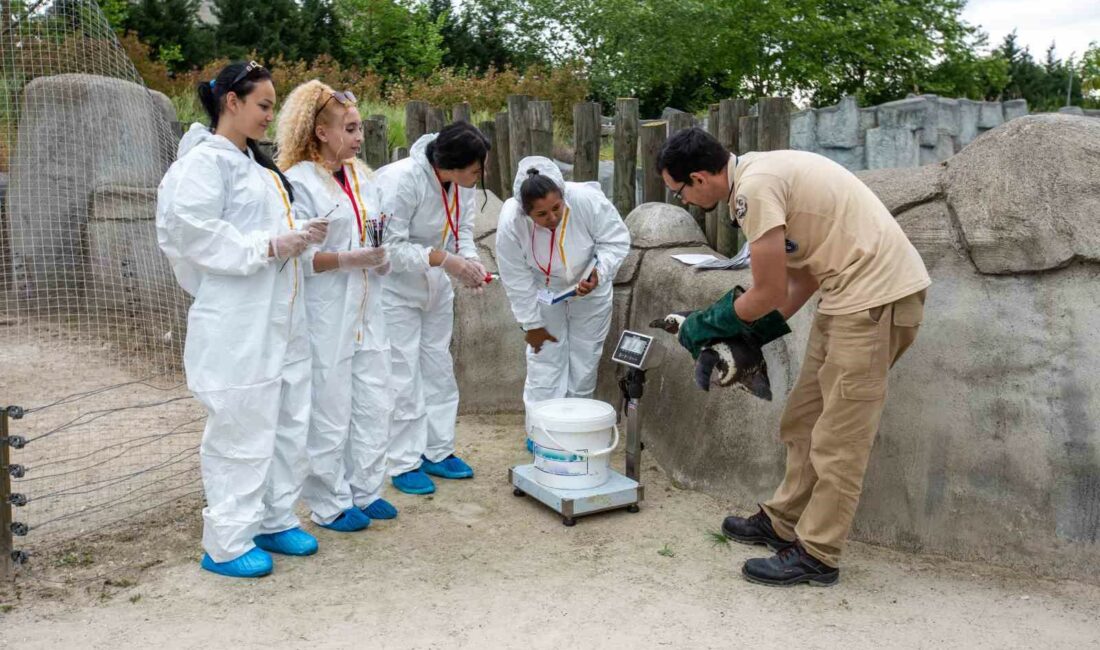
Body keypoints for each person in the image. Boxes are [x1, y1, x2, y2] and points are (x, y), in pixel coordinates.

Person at [657, 127, 930, 587]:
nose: (683, 200)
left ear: (700, 178)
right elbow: (801, 279)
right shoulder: (758, 176)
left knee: (839, 439)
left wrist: (705, 325)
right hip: (845, 298)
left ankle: (819, 553)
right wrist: (751, 336)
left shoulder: (755, 190)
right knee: (803, 418)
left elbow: (766, 291)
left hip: (875, 301)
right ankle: (782, 521)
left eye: (679, 190)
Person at [157, 61, 325, 579]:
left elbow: (262, 228)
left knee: (288, 420)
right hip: (238, 320)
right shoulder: (205, 164)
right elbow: (191, 232)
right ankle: (227, 542)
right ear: (231, 101)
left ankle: (274, 518)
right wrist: (269, 245)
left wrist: (299, 233)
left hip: (282, 315)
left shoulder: (258, 167)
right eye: (264, 105)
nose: (270, 116)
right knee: (241, 427)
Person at [276, 80, 399, 533]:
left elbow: (378, 232)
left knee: (375, 401)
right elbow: (299, 259)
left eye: (359, 127)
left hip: (368, 309)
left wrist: (379, 258)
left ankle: (365, 489)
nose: (358, 137)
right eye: (349, 129)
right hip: (327, 312)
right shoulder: (299, 181)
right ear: (321, 132)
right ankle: (329, 502)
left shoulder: (364, 178)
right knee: (329, 408)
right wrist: (348, 259)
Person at [374, 122, 491, 495]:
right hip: (395, 291)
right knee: (403, 374)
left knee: (439, 367)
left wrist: (470, 265)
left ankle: (437, 450)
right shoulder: (401, 181)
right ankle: (403, 462)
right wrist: (444, 260)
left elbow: (462, 231)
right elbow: (387, 249)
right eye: (475, 169)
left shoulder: (462, 185)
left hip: (436, 288)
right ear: (453, 164)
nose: (479, 175)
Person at [494, 156, 630, 437]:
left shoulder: (585, 199)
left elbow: (615, 240)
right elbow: (515, 278)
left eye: (556, 208)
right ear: (526, 212)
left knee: (585, 357)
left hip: (590, 283)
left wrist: (599, 273)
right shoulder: (511, 220)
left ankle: (574, 431)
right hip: (542, 288)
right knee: (544, 359)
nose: (552, 218)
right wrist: (531, 323)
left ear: (563, 195)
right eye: (541, 215)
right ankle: (541, 433)